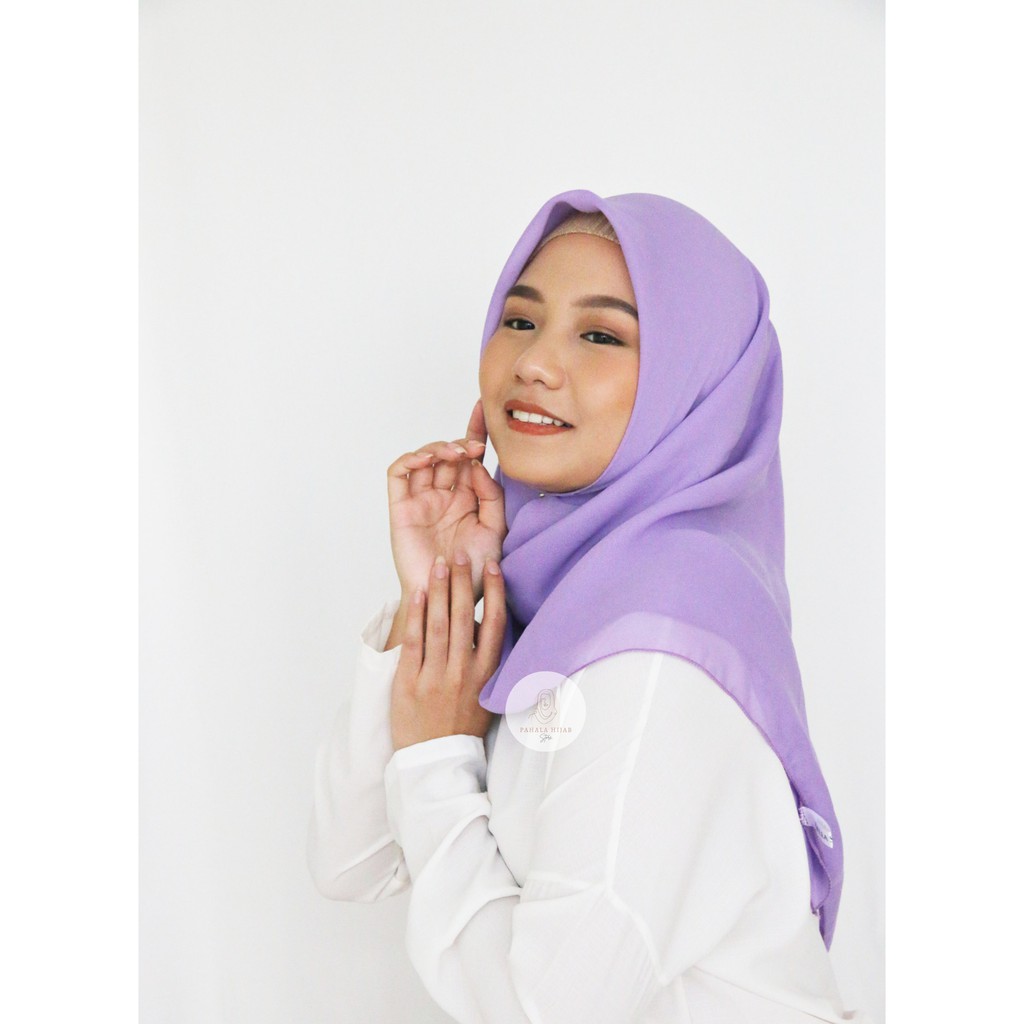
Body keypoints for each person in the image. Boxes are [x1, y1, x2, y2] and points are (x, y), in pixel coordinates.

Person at [307, 190, 873, 1022]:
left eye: (602, 335)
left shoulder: (661, 648)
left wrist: (435, 752)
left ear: (694, 383)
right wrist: (435, 597)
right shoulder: (555, 595)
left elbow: (548, 1011)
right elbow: (352, 862)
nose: (534, 362)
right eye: (520, 320)